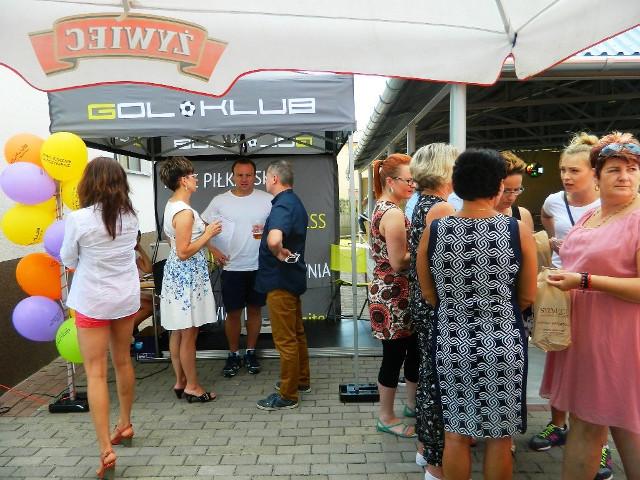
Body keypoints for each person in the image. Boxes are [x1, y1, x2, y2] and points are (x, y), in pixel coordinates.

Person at [416, 149, 537, 480]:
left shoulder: (436, 230)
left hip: (452, 342)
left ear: (456, 184)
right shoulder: (516, 230)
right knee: (500, 436)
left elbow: (428, 292)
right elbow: (528, 295)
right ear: (499, 187)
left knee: (456, 433)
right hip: (503, 343)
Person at [545, 133, 640, 480]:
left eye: (632, 169)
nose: (624, 176)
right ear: (598, 177)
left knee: (628, 427)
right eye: (614, 169)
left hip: (621, 341)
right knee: (586, 423)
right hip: (584, 338)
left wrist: (584, 280)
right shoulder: (592, 216)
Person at [533, 133, 611, 479]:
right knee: (559, 357)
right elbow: (547, 222)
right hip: (560, 293)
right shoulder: (553, 202)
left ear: (594, 173)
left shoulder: (609, 205)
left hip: (596, 294)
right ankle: (558, 424)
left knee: (596, 370)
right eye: (563, 170)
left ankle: (600, 442)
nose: (566, 176)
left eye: (574, 170)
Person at [60, 157, 140, 479]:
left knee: (95, 373)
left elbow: (68, 258)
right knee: (123, 361)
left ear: (88, 183)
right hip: (125, 298)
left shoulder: (78, 219)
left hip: (93, 300)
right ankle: (126, 424)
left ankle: (106, 448)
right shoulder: (131, 216)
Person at [408, 143, 458, 479]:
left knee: (429, 373)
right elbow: (446, 265)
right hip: (434, 302)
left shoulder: (420, 203)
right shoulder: (441, 208)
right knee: (437, 380)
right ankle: (435, 462)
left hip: (421, 299)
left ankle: (425, 449)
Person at [159, 156, 222, 403]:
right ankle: (193, 387)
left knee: (178, 330)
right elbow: (183, 251)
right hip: (187, 277)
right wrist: (208, 234)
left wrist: (209, 245)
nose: (197, 179)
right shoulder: (184, 213)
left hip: (178, 275)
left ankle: (180, 381)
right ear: (184, 180)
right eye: (193, 175)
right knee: (189, 333)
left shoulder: (172, 205)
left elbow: (173, 241)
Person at [202, 159, 272, 378]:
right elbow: (202, 227)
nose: (244, 179)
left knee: (255, 310)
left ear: (255, 176)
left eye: (248, 175)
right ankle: (233, 354)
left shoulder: (267, 200)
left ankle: (250, 352)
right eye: (240, 175)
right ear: (232, 176)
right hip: (231, 267)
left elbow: (279, 227)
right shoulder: (220, 201)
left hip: (258, 266)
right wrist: (212, 249)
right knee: (233, 314)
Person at [254, 160, 310, 411]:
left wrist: (275, 249)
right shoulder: (294, 201)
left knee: (285, 340)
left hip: (280, 281)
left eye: (266, 177)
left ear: (274, 179)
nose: (265, 181)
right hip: (291, 278)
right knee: (296, 334)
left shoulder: (282, 204)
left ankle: (288, 395)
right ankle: (301, 381)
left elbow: (275, 238)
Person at [368, 153, 418, 438]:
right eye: (407, 180)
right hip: (394, 295)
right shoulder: (394, 213)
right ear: (390, 181)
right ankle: (386, 417)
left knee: (408, 352)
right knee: (394, 356)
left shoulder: (384, 207)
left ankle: (411, 406)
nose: (412, 185)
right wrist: (426, 250)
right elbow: (399, 262)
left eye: (414, 180)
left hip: (393, 293)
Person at [497, 151, 535, 340]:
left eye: (517, 190)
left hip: (518, 303)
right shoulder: (474, 216)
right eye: (506, 190)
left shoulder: (522, 215)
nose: (511, 197)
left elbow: (529, 263)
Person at [132, 230, 153, 334]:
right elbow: (148, 269)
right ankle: (126, 331)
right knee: (149, 306)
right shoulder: (126, 253)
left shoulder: (134, 253)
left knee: (152, 301)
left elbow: (148, 269)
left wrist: (139, 248)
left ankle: (131, 330)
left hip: (132, 290)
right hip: (123, 292)